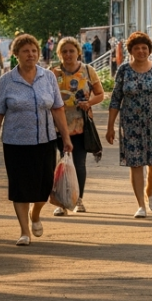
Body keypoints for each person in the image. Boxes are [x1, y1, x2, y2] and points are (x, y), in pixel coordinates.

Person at [0, 34, 73, 246]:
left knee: (45, 187)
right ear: (16, 55)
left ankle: (35, 214)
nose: (31, 55)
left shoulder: (48, 77)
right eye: (25, 51)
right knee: (20, 187)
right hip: (16, 143)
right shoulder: (7, 81)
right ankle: (24, 231)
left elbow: (57, 108)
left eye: (34, 51)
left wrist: (66, 137)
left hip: (45, 141)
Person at [105, 31, 152, 218]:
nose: (141, 51)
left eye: (144, 48)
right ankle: (140, 205)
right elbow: (115, 100)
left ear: (149, 50)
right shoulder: (124, 70)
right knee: (136, 164)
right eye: (136, 48)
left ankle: (149, 189)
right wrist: (110, 127)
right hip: (131, 125)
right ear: (131, 51)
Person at [51, 36, 105, 215]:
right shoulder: (53, 73)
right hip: (58, 125)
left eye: (71, 51)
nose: (68, 54)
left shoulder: (88, 70)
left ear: (78, 52)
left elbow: (100, 94)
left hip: (81, 125)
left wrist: (89, 103)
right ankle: (61, 202)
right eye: (64, 51)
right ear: (59, 54)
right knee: (62, 163)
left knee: (79, 163)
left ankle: (77, 200)